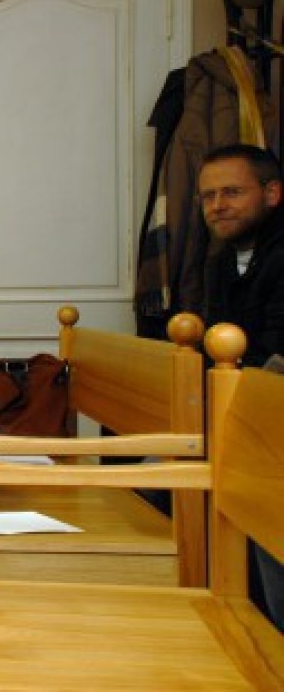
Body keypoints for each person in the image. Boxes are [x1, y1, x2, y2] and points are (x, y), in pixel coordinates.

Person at [198, 142, 284, 631]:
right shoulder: (221, 260)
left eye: (231, 192)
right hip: (238, 411)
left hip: (266, 417)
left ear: (272, 193)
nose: (217, 206)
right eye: (208, 196)